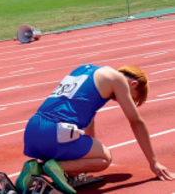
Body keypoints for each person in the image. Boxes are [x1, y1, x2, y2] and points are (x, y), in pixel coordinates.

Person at [16, 64, 174, 194]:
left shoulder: (84, 71)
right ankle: (42, 169)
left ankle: (39, 168)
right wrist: (154, 163)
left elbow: (89, 119)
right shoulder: (117, 79)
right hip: (54, 133)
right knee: (105, 159)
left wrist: (85, 157)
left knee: (90, 152)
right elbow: (136, 121)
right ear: (133, 84)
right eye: (133, 99)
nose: (124, 100)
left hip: (32, 129)